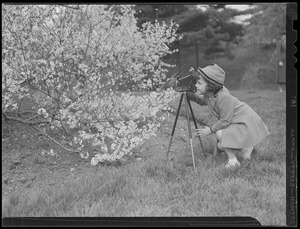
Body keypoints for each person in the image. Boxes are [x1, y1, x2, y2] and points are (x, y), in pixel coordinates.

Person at [188, 63, 270, 169]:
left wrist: (210, 130)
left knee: (220, 133)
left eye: (199, 83)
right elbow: (202, 101)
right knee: (220, 146)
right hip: (236, 121)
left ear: (210, 86)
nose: (196, 85)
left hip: (245, 121)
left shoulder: (223, 97)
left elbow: (225, 122)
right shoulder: (209, 94)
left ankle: (233, 161)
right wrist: (190, 95)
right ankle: (246, 147)